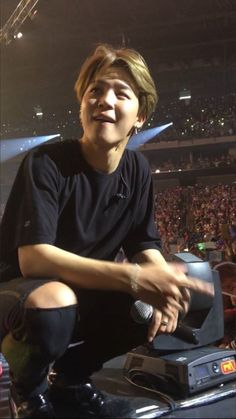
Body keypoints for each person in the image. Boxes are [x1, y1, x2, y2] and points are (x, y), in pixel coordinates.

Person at [0, 44, 213, 418]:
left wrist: (160, 278)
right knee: (55, 298)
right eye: (94, 91)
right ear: (82, 106)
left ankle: (72, 380)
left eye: (121, 92)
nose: (104, 100)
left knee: (158, 301)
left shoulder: (137, 171)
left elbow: (143, 241)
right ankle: (28, 393)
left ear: (141, 116)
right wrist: (133, 276)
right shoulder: (46, 162)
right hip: (20, 296)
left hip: (80, 292)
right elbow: (33, 259)